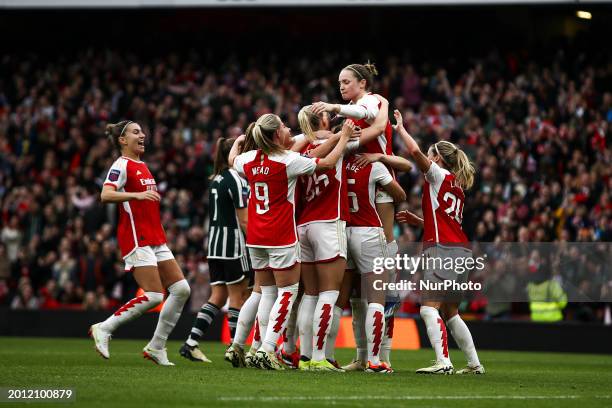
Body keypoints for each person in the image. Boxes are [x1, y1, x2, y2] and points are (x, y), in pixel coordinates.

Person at [228, 113, 354, 370]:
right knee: (287, 292)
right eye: (284, 127)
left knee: (266, 293)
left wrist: (238, 142)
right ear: (276, 135)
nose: (288, 129)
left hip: (256, 237)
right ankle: (266, 349)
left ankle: (252, 348)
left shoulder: (247, 160)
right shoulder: (288, 161)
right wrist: (344, 138)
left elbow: (232, 160)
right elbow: (328, 163)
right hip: (280, 236)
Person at [89, 120, 191, 366]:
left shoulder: (142, 165)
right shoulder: (121, 165)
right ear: (122, 140)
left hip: (156, 237)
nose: (143, 135)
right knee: (155, 295)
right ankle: (104, 327)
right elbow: (105, 194)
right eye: (136, 132)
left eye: (143, 131)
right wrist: (135, 194)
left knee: (181, 290)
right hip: (137, 238)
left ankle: (157, 346)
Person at [393, 110, 485, 375]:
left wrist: (401, 129)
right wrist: (419, 221)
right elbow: (447, 222)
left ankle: (443, 362)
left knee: (427, 308)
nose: (428, 158)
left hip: (442, 249)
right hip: (460, 249)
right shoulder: (456, 184)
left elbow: (413, 152)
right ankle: (474, 364)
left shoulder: (437, 175)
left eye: (431, 155)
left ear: (438, 159)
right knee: (451, 312)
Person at [292, 105, 356, 372]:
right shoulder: (340, 140)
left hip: (304, 225)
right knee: (329, 294)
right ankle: (319, 357)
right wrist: (343, 135)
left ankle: (306, 357)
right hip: (329, 222)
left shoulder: (299, 148)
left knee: (309, 295)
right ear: (324, 119)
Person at [180, 137, 251, 363]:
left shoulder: (217, 178)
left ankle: (191, 343)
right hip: (232, 245)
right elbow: (244, 220)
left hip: (215, 246)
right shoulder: (236, 179)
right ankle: (234, 348)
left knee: (219, 296)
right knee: (238, 297)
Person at [342, 152, 407, 373]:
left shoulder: (337, 163)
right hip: (371, 235)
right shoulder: (376, 168)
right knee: (379, 301)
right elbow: (401, 195)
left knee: (351, 300)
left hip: (343, 232)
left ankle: (324, 356)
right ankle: (373, 359)